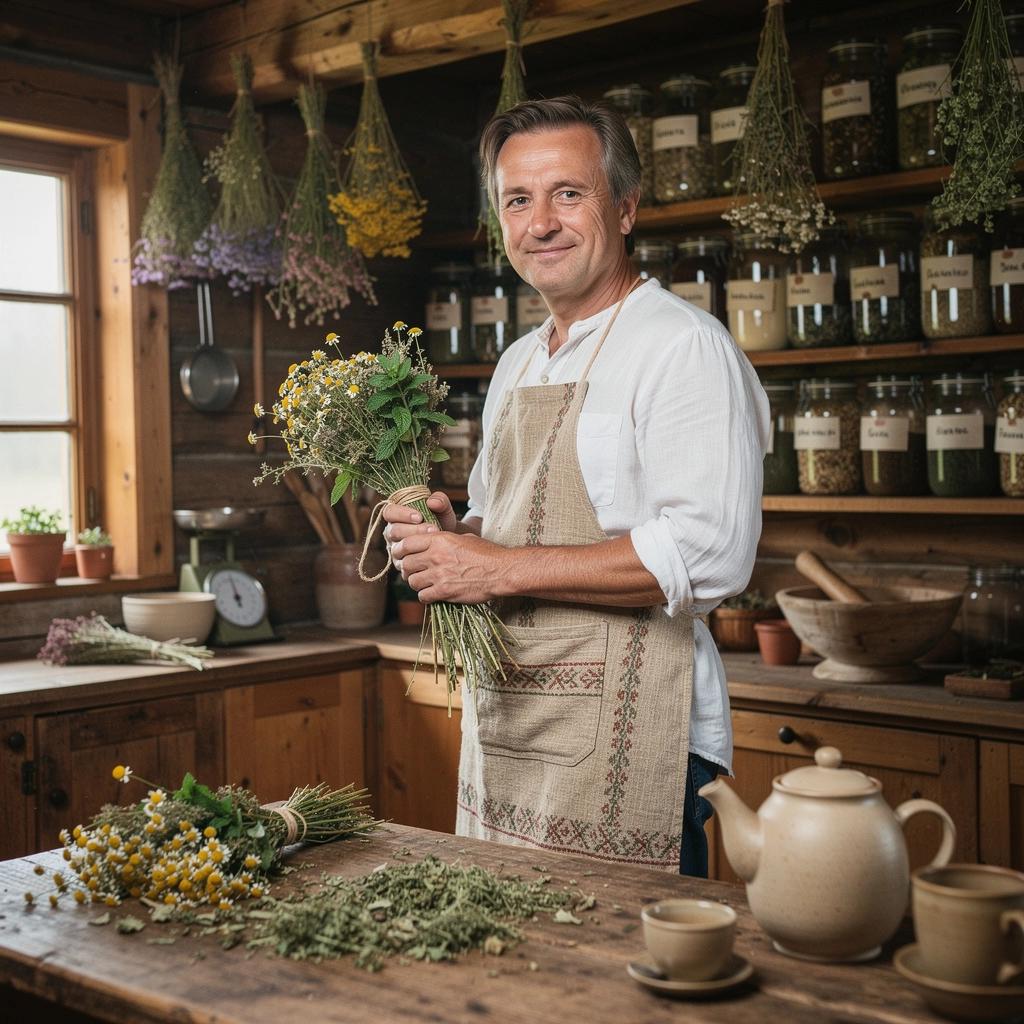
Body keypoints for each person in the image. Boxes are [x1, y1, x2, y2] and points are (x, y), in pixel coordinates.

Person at [384, 96, 769, 876]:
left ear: (625, 209)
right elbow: (498, 528)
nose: (542, 222)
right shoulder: (519, 362)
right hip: (517, 718)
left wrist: (491, 568)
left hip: (638, 729)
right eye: (517, 201)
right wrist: (449, 533)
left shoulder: (681, 348)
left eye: (569, 193)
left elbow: (708, 552)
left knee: (623, 979)